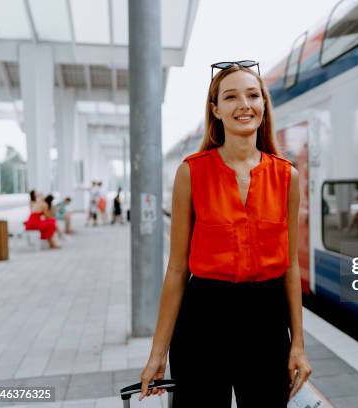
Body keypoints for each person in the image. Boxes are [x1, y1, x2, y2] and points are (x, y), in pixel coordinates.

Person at [139, 60, 312, 407]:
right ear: (216, 109)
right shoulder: (191, 173)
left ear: (264, 104)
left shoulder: (287, 177)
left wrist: (298, 345)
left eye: (252, 95)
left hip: (267, 320)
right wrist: (157, 352)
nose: (243, 105)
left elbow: (291, 266)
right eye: (230, 97)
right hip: (203, 320)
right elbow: (176, 269)